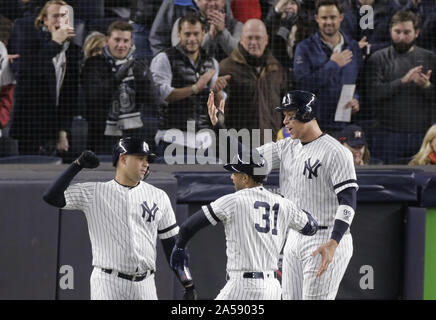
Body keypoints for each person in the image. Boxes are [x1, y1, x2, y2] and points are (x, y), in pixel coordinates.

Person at [208, 90, 359, 300]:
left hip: (327, 237)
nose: (285, 121)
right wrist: (220, 128)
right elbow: (247, 159)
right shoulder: (286, 147)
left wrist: (334, 242)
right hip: (295, 237)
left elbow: (348, 201)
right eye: (284, 115)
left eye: (290, 115)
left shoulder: (336, 152)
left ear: (306, 114)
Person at [42, 136, 197, 300]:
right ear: (123, 159)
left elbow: (172, 245)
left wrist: (187, 283)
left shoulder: (159, 196)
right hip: (108, 282)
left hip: (146, 284)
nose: (146, 164)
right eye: (140, 158)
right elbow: (51, 197)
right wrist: (76, 166)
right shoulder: (95, 192)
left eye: (147, 159)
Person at [170, 145, 319, 300]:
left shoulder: (233, 201)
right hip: (273, 288)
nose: (231, 177)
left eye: (235, 173)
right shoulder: (284, 203)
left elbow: (188, 226)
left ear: (245, 178)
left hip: (244, 286)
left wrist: (179, 247)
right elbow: (311, 227)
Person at [9, 0, 81, 160]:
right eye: (55, 16)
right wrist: (55, 43)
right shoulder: (28, 41)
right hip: (30, 126)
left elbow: (69, 95)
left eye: (64, 16)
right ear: (44, 20)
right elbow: (28, 70)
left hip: (57, 127)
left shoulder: (73, 51)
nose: (60, 20)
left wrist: (63, 132)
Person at [150, 14, 228, 159]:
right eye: (187, 34)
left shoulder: (212, 63)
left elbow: (217, 109)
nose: (192, 39)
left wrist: (216, 91)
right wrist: (195, 88)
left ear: (203, 34)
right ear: (179, 35)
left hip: (204, 140)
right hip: (173, 138)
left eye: (196, 34)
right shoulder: (163, 59)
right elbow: (161, 96)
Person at [366, 10, 436, 164]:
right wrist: (403, 81)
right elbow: (372, 95)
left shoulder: (430, 58)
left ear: (417, 33)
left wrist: (427, 86)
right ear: (390, 31)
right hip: (387, 136)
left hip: (422, 135)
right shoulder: (378, 58)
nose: (402, 37)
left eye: (407, 32)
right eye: (397, 32)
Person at [80, 21, 159, 155]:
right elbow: (94, 96)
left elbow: (151, 100)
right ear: (107, 40)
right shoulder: (93, 64)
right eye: (117, 40)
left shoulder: (138, 65)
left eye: (125, 41)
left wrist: (144, 80)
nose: (121, 45)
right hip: (101, 137)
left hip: (134, 135)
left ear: (131, 43)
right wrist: (117, 77)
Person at [293, 0, 363, 136]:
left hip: (345, 126)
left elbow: (359, 82)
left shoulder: (353, 47)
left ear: (341, 17)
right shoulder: (304, 48)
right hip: (315, 126)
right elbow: (303, 85)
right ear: (317, 19)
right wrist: (333, 65)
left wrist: (356, 99)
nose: (329, 22)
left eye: (333, 17)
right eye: (324, 18)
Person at [218, 18, 288, 144]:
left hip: (271, 144)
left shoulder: (276, 68)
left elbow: (285, 107)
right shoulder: (226, 68)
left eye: (258, 38)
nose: (253, 42)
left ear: (266, 39)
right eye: (249, 38)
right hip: (238, 146)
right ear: (241, 38)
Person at [149, 0, 242, 61]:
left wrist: (222, 32)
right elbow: (158, 39)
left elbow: (240, 54)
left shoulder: (230, 19)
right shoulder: (174, 5)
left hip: (218, 72)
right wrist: (165, 65)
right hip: (180, 71)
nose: (212, 4)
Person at [264, 0, 312, 84]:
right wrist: (284, 29)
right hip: (278, 79)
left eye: (293, 3)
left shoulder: (307, 27)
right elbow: (275, 53)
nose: (289, 6)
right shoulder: (271, 27)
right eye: (285, 4)